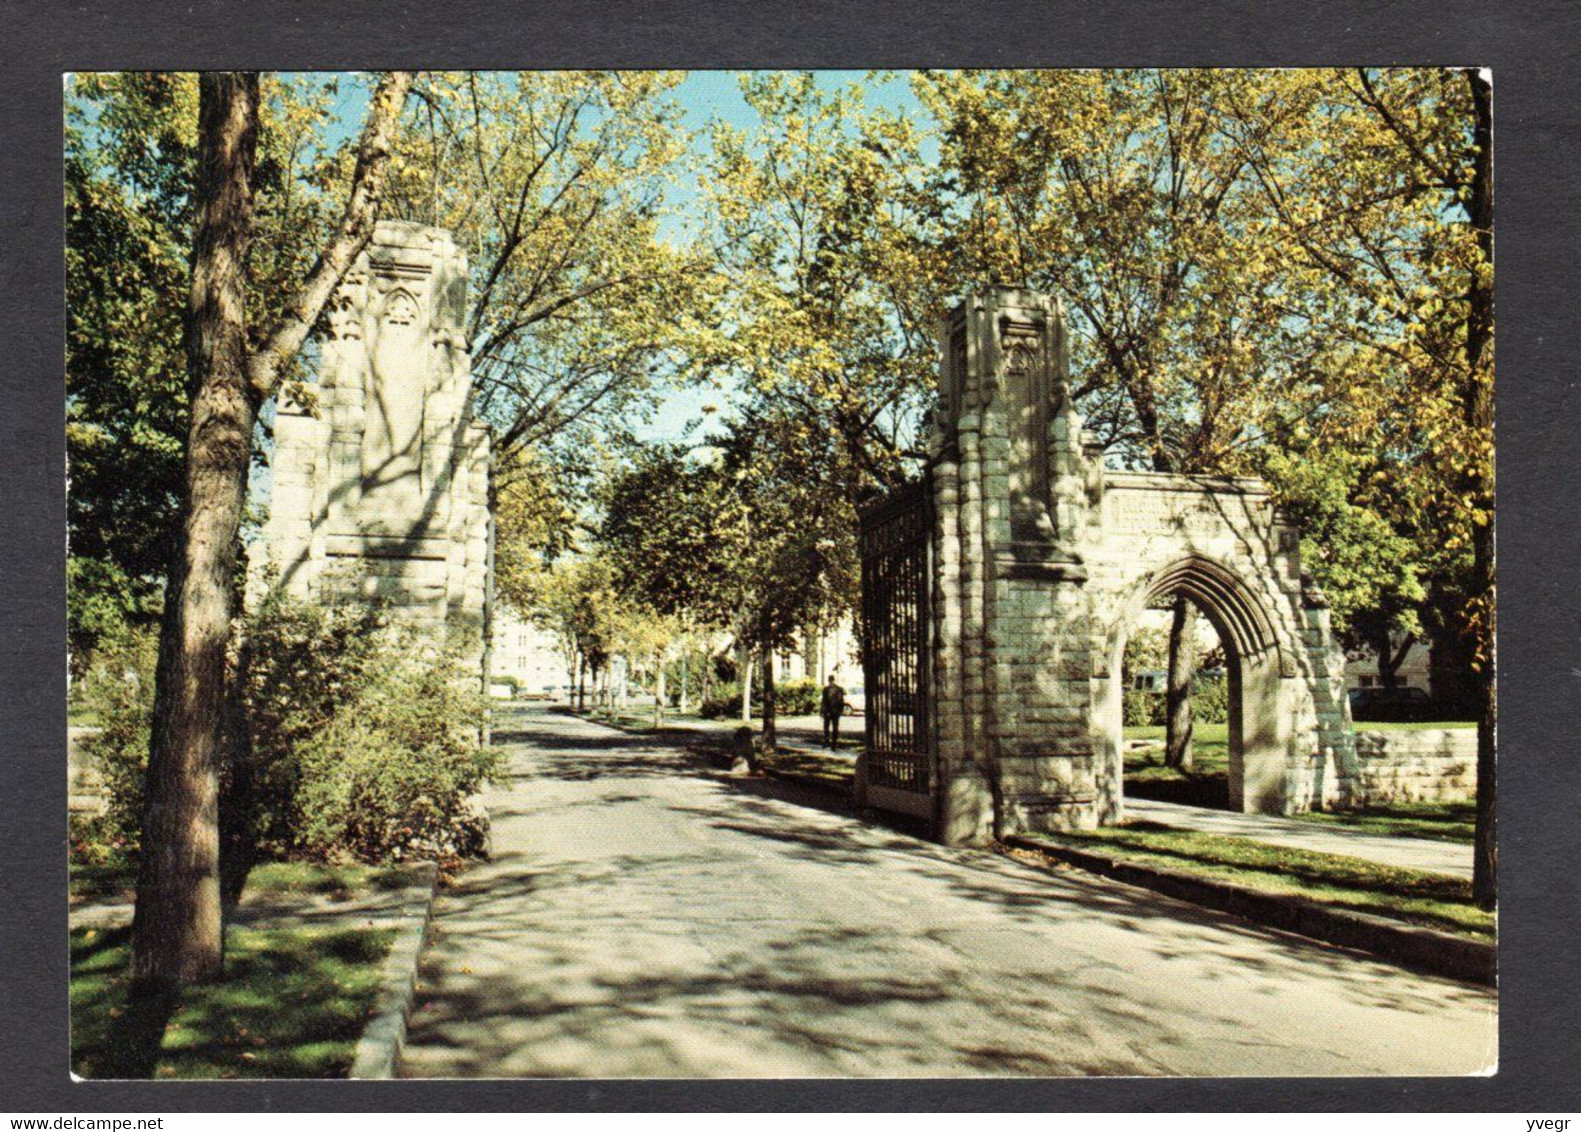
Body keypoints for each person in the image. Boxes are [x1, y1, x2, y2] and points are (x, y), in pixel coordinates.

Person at [820, 676, 846, 749]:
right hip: (836, 711)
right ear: (834, 680)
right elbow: (841, 701)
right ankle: (834, 743)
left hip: (828, 711)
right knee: (835, 727)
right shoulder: (839, 689)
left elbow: (824, 701)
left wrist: (822, 710)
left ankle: (827, 741)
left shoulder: (826, 689)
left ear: (828, 680)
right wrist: (841, 710)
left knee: (826, 727)